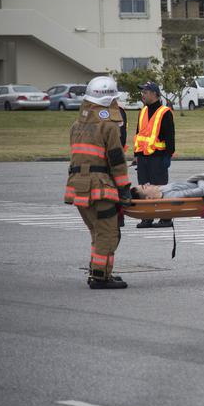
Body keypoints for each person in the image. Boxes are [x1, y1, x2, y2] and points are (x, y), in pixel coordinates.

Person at [64, 76, 132, 289]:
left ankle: (99, 272)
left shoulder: (76, 126)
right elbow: (117, 161)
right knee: (108, 233)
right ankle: (101, 277)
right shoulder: (108, 126)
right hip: (100, 189)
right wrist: (124, 190)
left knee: (97, 232)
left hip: (78, 188)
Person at [133, 81, 175, 228]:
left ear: (154, 94)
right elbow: (139, 134)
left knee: (160, 188)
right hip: (143, 157)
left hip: (158, 157)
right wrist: (136, 155)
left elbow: (170, 137)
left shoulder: (165, 112)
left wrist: (168, 156)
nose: (142, 95)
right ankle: (147, 217)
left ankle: (166, 218)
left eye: (145, 92)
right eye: (142, 92)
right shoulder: (143, 111)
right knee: (144, 188)